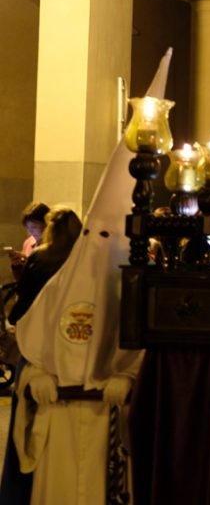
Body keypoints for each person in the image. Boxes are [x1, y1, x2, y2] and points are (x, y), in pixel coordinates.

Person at [12, 49, 171, 504]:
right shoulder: (59, 288)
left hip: (108, 423)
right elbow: (31, 350)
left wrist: (127, 381)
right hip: (58, 424)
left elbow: (146, 357)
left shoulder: (131, 294)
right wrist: (35, 380)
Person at [0, 206, 82, 505]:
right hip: (70, 353)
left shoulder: (40, 258)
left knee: (25, 420)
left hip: (37, 348)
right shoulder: (83, 262)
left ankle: (18, 491)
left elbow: (22, 308)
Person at [12, 203, 49, 281]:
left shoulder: (56, 245)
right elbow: (21, 280)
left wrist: (29, 263)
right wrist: (17, 266)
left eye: (34, 227)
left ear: (47, 224)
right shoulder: (29, 242)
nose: (30, 232)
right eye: (27, 228)